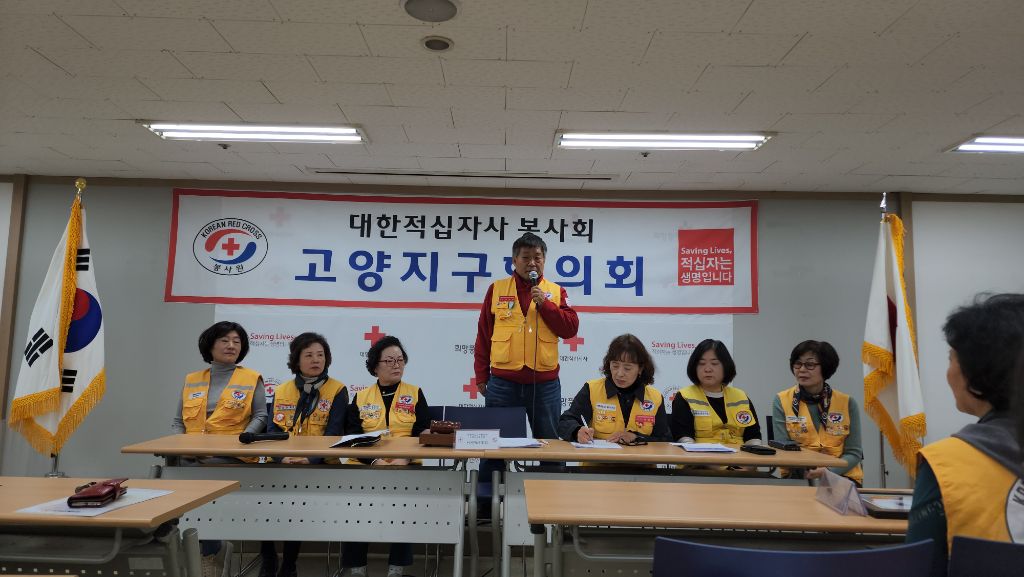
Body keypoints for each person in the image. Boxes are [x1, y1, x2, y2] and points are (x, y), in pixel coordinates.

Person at [907, 294, 1024, 576]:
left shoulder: (947, 462)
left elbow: (921, 568)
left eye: (951, 359)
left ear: (978, 374)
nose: (948, 372)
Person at [172, 321, 267, 577]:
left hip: (230, 457)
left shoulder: (251, 378)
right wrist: (180, 446)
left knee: (207, 503)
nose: (231, 345)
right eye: (225, 340)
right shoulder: (192, 379)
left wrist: (243, 440)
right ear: (210, 346)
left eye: (236, 341)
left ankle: (210, 554)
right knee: (182, 500)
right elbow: (178, 422)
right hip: (190, 457)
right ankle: (207, 552)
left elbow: (260, 416)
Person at [474, 232, 580, 439]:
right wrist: (481, 375)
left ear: (544, 260)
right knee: (496, 446)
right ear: (514, 260)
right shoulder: (497, 289)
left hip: (545, 385)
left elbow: (570, 329)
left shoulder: (556, 291)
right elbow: (484, 334)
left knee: (549, 445)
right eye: (525, 257)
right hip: (503, 383)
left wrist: (545, 305)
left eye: (537, 257)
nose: (532, 263)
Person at [260, 333, 348, 577]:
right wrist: (282, 458)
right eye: (309, 355)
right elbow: (272, 431)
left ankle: (289, 564)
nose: (316, 360)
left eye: (320, 355)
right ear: (296, 360)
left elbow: (334, 433)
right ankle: (268, 557)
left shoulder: (337, 390)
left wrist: (311, 459)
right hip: (282, 463)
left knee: (295, 504)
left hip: (319, 465)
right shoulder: (281, 390)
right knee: (261, 500)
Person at [342, 335, 430, 577]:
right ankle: (357, 569)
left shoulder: (415, 393)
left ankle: (396, 569)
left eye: (400, 360)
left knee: (404, 508)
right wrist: (374, 460)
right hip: (365, 466)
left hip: (406, 465)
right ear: (375, 366)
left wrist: (405, 458)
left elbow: (423, 431)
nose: (396, 365)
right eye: (389, 360)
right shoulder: (361, 397)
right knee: (356, 509)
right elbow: (352, 436)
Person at [772, 340, 863, 484]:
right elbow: (783, 449)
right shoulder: (782, 400)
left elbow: (854, 453)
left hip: (841, 477)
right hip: (799, 476)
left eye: (810, 364)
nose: (802, 369)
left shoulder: (847, 403)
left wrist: (828, 472)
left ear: (825, 367)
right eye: (798, 363)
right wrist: (808, 472)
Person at [557, 334, 671, 444]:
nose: (619, 373)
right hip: (598, 457)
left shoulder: (655, 397)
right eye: (615, 366)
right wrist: (576, 431)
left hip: (640, 458)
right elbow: (565, 421)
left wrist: (637, 437)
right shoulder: (592, 389)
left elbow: (665, 439)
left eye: (627, 368)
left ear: (640, 369)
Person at [671, 339, 762, 446]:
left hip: (739, 455)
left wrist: (755, 451)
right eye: (701, 363)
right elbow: (684, 437)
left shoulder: (741, 397)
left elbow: (753, 436)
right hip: (699, 456)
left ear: (726, 366)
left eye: (714, 363)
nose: (707, 369)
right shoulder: (685, 396)